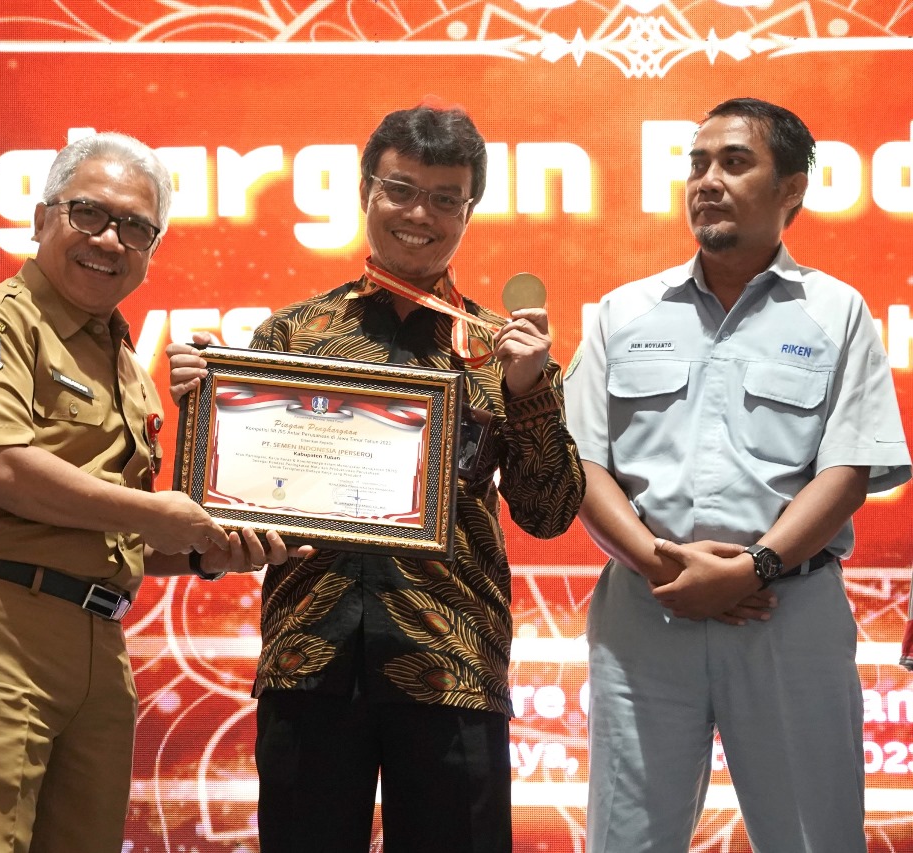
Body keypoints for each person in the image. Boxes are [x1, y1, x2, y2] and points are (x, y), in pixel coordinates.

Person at [168, 104, 586, 852]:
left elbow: (550, 510)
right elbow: (220, 511)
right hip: (309, 654)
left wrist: (529, 394)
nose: (419, 214)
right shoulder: (291, 336)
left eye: (444, 198)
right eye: (400, 189)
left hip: (450, 659)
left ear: (469, 210)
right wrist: (207, 409)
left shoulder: (502, 349)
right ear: (365, 191)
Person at [0, 131, 294, 853]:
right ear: (43, 217)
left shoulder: (129, 367)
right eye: (90, 214)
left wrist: (208, 551)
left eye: (135, 227)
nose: (110, 239)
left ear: (152, 249)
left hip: (100, 640)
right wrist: (157, 511)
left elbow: (121, 535)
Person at [564, 97, 911, 853]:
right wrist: (666, 567)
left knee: (814, 838)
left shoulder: (836, 312)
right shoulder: (624, 312)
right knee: (627, 840)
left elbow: (850, 467)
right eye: (697, 165)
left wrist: (753, 566)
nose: (708, 181)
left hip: (789, 613)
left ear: (792, 189)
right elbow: (582, 461)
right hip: (645, 615)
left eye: (734, 161)